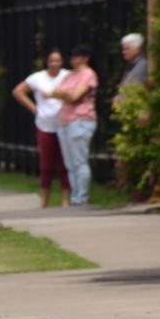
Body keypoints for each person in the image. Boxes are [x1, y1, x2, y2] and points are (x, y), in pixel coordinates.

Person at [11, 49, 71, 207]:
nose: (55, 64)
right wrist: (34, 108)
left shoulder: (67, 76)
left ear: (62, 62)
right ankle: (44, 199)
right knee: (46, 165)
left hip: (64, 124)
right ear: (47, 62)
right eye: (52, 60)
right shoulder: (37, 78)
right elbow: (18, 91)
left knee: (64, 164)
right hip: (45, 124)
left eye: (58, 61)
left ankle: (66, 199)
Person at [52, 44, 99, 206]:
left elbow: (75, 96)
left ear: (85, 58)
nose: (73, 60)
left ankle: (83, 196)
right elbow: (54, 92)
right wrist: (67, 93)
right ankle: (75, 196)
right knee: (69, 163)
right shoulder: (70, 75)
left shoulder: (88, 74)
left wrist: (65, 94)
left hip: (80, 120)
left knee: (79, 161)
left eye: (76, 56)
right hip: (65, 120)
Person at [113, 32, 149, 104]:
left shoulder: (142, 65)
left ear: (138, 49)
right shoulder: (131, 65)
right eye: (123, 49)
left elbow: (135, 88)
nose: (123, 52)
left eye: (127, 49)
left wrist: (121, 99)